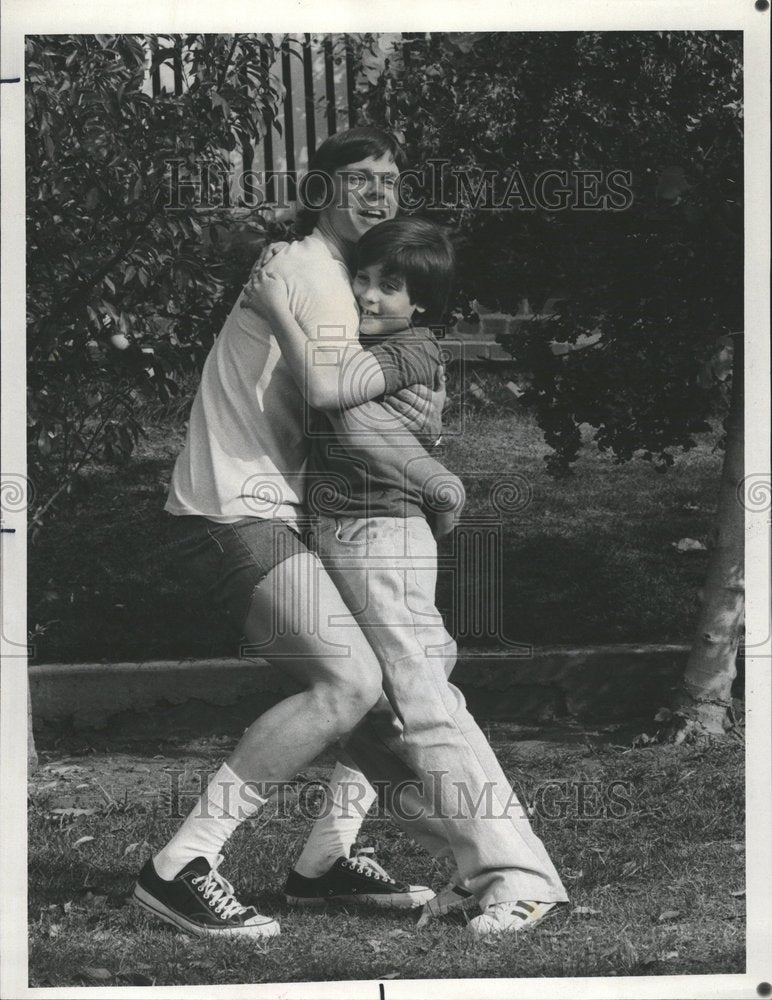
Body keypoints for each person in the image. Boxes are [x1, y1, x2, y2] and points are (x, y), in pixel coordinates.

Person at [133, 127, 462, 939]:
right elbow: (334, 403)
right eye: (358, 178)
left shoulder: (343, 276)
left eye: (390, 178)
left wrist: (423, 399)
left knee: (386, 678)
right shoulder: (307, 270)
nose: (378, 192)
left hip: (272, 505)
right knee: (347, 682)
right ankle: (182, 864)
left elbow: (367, 394)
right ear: (322, 190)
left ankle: (322, 864)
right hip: (229, 509)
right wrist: (430, 472)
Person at [243, 213, 569, 937]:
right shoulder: (379, 345)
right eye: (362, 277)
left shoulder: (412, 348)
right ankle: (474, 868)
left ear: (422, 303)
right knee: (375, 720)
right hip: (347, 533)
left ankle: (522, 879)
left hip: (380, 535)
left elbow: (329, 392)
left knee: (425, 708)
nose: (367, 294)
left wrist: (275, 308)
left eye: (390, 286)